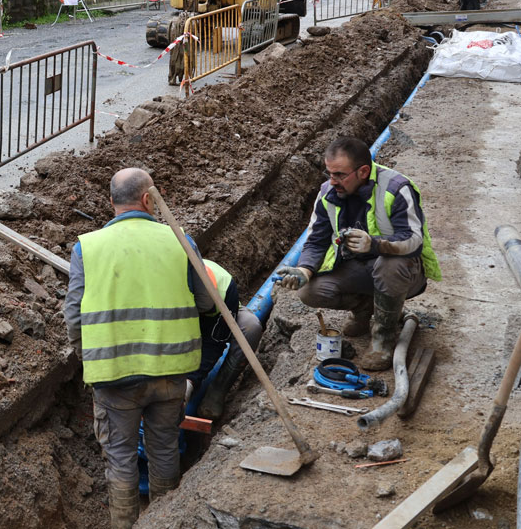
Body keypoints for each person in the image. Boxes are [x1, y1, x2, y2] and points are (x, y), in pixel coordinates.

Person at [64, 168, 214, 528]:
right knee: (164, 449)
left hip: (114, 377)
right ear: (149, 200)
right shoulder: (179, 240)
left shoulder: (88, 247)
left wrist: (88, 359)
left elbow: (74, 316)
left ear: (111, 201)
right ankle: (164, 521)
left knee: (120, 458)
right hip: (170, 370)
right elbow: (207, 302)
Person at [277, 137, 440, 370]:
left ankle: (383, 338)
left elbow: (414, 240)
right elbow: (316, 240)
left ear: (363, 171)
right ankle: (365, 309)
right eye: (329, 173)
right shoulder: (328, 193)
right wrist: (304, 270)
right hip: (359, 267)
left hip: (403, 272)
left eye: (339, 175)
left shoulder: (396, 189)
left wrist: (374, 244)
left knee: (389, 265)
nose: (332, 181)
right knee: (310, 291)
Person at [188, 259, 263, 420]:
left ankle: (217, 389)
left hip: (215, 317)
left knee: (250, 327)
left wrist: (190, 381)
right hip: (180, 324)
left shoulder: (224, 288)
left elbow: (213, 343)